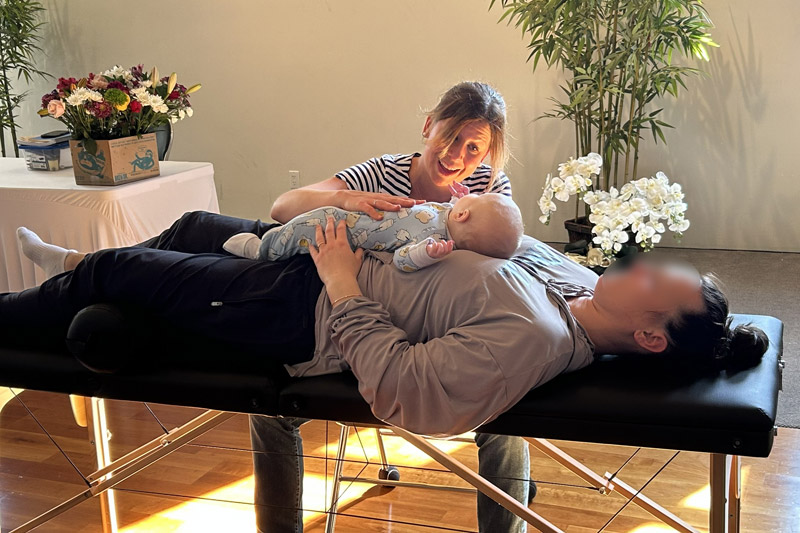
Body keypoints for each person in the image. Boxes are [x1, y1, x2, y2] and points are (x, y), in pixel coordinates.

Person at [7, 218, 768, 532]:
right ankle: (109, 301)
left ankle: (59, 295)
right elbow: (494, 231)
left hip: (300, 308)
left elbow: (403, 391)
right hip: (331, 257)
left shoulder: (533, 338)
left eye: (655, 281)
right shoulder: (574, 283)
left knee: (116, 268)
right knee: (195, 227)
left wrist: (341, 280)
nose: (639, 267)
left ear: (648, 335)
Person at [222, 191, 524, 272]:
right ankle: (273, 242)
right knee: (303, 223)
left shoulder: (437, 240)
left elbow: (403, 260)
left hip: (345, 232)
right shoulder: (448, 212)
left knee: (305, 229)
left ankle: (262, 250)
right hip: (350, 214)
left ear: (463, 214)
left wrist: (426, 254)